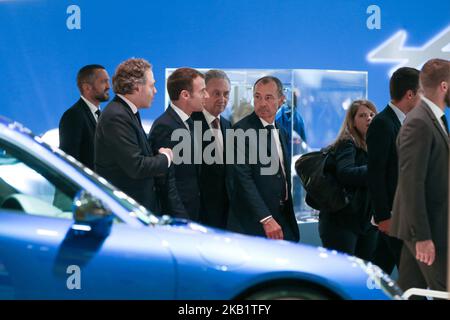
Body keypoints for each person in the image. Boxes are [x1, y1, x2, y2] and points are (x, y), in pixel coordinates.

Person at [95, 58, 184, 215]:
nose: (155, 91)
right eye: (152, 85)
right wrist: (166, 157)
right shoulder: (116, 116)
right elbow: (137, 166)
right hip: (126, 212)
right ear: (136, 87)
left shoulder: (126, 112)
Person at [391, 58, 449, 292]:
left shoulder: (429, 118)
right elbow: (411, 183)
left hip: (424, 226)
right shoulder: (420, 122)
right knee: (442, 292)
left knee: (410, 291)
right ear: (444, 86)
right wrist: (422, 237)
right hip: (426, 229)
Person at [227, 76, 300, 242]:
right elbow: (243, 179)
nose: (262, 103)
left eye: (268, 98)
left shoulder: (281, 130)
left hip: (283, 217)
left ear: (281, 100)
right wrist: (266, 218)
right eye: (257, 97)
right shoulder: (240, 131)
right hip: (254, 223)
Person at [367, 67, 420, 275]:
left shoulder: (402, 122)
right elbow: (376, 173)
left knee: (379, 271)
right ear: (410, 94)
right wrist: (383, 216)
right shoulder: (382, 123)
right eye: (422, 92)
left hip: (401, 215)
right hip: (392, 217)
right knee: (411, 275)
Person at [318, 100, 378, 260]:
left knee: (365, 275)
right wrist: (377, 171)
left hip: (364, 222)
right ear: (352, 120)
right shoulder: (347, 142)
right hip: (341, 222)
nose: (369, 119)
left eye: (372, 114)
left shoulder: (372, 144)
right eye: (363, 115)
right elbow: (346, 173)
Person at [149, 67, 208, 222]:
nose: (206, 96)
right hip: (179, 217)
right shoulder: (165, 126)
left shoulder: (191, 122)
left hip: (194, 211)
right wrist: (182, 220)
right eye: (202, 91)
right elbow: (167, 182)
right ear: (185, 95)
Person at [191, 70, 232, 229]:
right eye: (216, 93)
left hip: (226, 216)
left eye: (226, 94)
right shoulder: (189, 125)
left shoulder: (228, 125)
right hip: (200, 216)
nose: (222, 99)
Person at [59, 64, 110, 170]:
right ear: (87, 87)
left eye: (107, 81)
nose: (108, 86)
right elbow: (70, 163)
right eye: (103, 81)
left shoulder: (103, 116)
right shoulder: (73, 116)